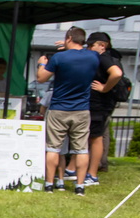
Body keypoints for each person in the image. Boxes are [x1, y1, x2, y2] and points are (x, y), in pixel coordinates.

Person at [37, 26, 98, 196]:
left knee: (53, 148)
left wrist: (42, 64)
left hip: (58, 109)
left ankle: (49, 184)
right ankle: (80, 186)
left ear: (69, 38)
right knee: (81, 149)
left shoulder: (58, 58)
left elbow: (41, 78)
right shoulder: (92, 57)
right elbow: (85, 52)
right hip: (82, 110)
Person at [78, 31, 123, 187]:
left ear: (102, 46)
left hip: (99, 105)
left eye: (91, 45)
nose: (89, 48)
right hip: (96, 104)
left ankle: (92, 174)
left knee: (96, 138)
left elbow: (117, 73)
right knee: (90, 137)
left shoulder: (104, 58)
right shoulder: (99, 57)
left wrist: (104, 88)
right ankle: (79, 170)